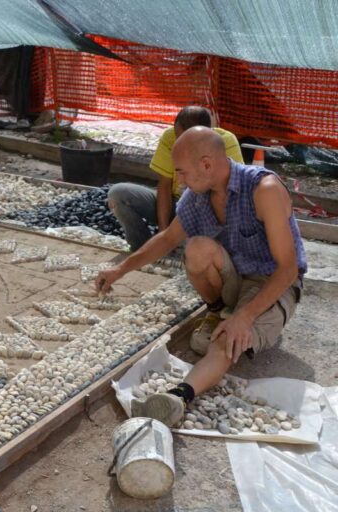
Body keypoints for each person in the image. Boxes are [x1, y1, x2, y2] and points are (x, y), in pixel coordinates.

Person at [95, 126, 306, 427]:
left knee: (225, 341)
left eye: (181, 172)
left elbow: (288, 270)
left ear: (207, 164)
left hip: (271, 283)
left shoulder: (264, 190)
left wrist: (244, 316)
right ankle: (219, 310)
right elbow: (168, 239)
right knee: (196, 249)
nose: (178, 180)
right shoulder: (199, 195)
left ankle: (178, 397)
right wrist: (121, 269)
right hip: (237, 277)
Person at [107, 106, 244, 251]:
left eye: (185, 138)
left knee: (196, 250)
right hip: (175, 204)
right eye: (178, 136)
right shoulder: (169, 137)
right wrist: (163, 232)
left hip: (206, 210)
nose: (179, 142)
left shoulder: (225, 142)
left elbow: (229, 194)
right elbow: (164, 185)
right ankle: (143, 248)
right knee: (118, 195)